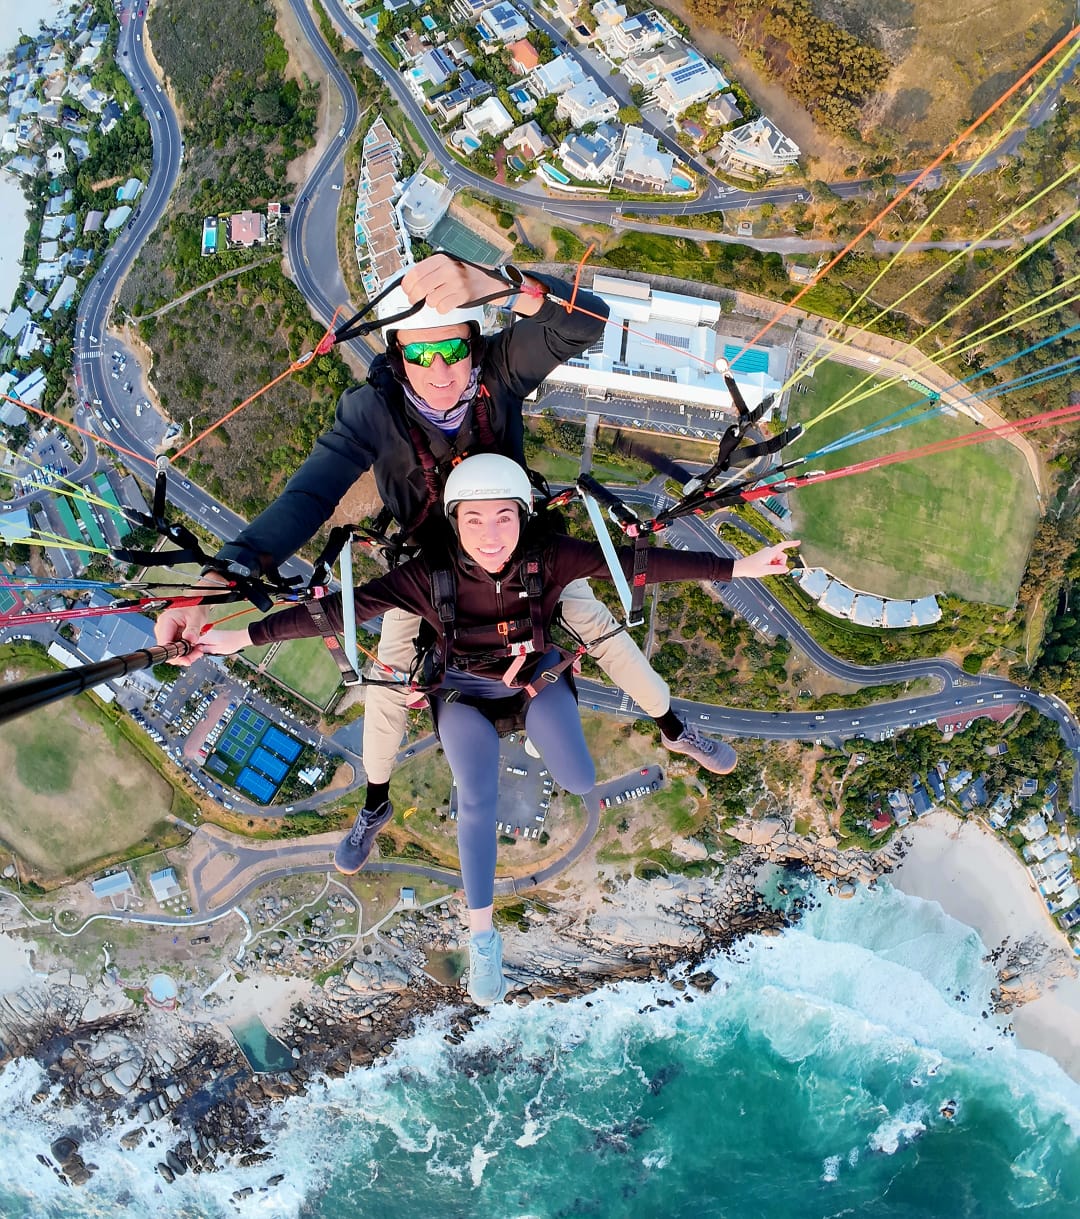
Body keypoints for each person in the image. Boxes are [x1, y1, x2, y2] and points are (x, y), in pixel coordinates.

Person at [155, 255, 736, 879]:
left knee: (603, 633)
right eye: (420, 355)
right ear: (397, 352)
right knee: (383, 689)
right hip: (426, 571)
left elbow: (584, 323)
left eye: (453, 351)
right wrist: (214, 585)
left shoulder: (500, 371)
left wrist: (501, 285)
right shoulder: (371, 413)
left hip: (516, 549)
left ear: (473, 343)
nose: (440, 372)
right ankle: (375, 805)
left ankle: (672, 725)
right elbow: (308, 498)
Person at [199, 453, 801, 1006]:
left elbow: (643, 565)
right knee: (474, 793)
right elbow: (334, 613)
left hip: (531, 676)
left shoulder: (549, 554)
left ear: (523, 516)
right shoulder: (426, 572)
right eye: (477, 521)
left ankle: (672, 728)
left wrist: (738, 567)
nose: (491, 536)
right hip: (462, 690)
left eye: (505, 519)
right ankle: (479, 935)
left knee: (580, 777)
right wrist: (231, 639)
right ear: (456, 521)